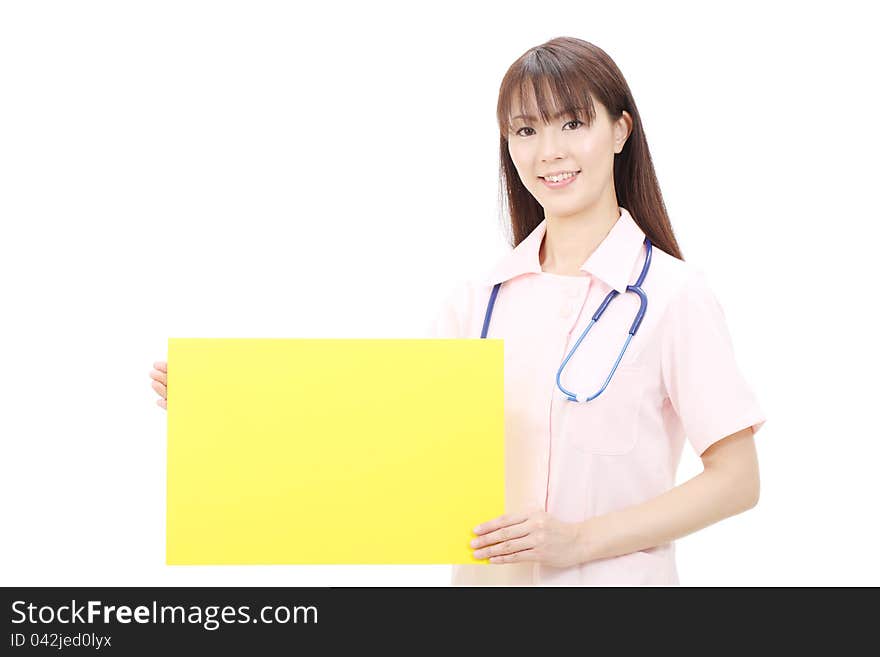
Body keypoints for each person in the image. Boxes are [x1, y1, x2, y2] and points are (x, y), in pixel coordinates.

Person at [150, 36, 766, 586]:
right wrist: (227, 406)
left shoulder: (671, 295)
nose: (549, 151)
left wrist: (578, 540)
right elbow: (383, 436)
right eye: (525, 131)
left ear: (621, 131)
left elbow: (737, 480)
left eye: (573, 124)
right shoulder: (478, 301)